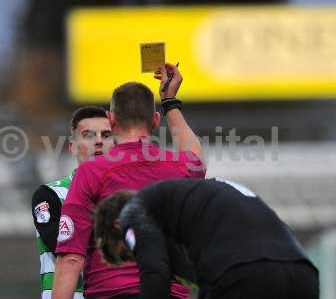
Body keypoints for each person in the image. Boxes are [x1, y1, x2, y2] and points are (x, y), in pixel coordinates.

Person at [52, 63, 207, 299]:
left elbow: (71, 259)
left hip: (111, 293)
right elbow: (196, 155)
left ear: (110, 119)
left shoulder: (91, 172)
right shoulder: (179, 167)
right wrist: (170, 102)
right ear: (155, 120)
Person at [94, 178, 320, 299]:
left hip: (245, 276)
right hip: (302, 275)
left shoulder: (133, 211)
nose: (139, 255)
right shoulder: (204, 199)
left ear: (117, 225)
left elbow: (155, 272)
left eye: (128, 253)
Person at [31, 106, 114, 299]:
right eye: (88, 135)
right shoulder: (49, 195)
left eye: (107, 135)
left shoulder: (127, 194)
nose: (99, 141)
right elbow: (66, 250)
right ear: (73, 147)